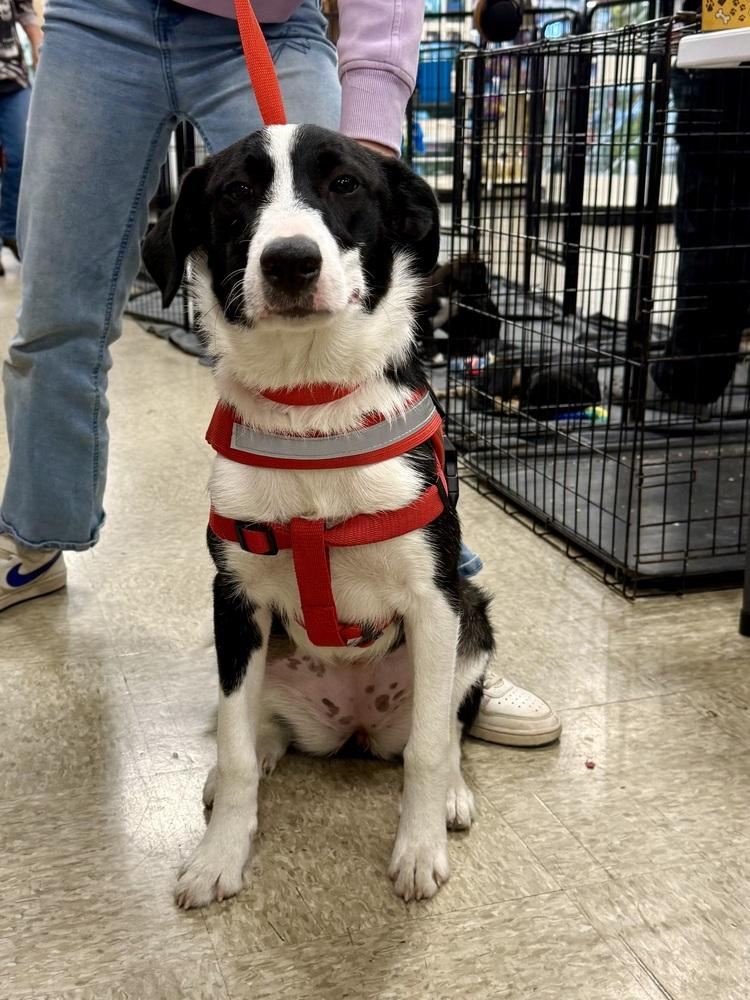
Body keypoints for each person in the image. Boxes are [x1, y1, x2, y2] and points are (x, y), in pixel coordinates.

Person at [0, 0, 561, 748]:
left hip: (272, 19)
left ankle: (438, 625)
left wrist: (367, 144)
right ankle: (34, 542)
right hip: (98, 18)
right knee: (56, 316)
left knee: (352, 308)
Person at [0, 0, 41, 276]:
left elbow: (25, 10)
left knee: (22, 154)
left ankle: (9, 230)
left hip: (13, 78)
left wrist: (41, 49)